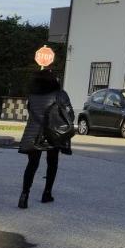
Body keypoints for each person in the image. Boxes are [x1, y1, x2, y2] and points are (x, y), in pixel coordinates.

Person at [19, 69, 73, 208]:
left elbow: (31, 112)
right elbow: (69, 114)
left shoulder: (32, 96)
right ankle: (46, 193)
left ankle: (24, 196)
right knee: (52, 163)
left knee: (32, 165)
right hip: (53, 133)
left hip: (34, 134)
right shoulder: (60, 95)